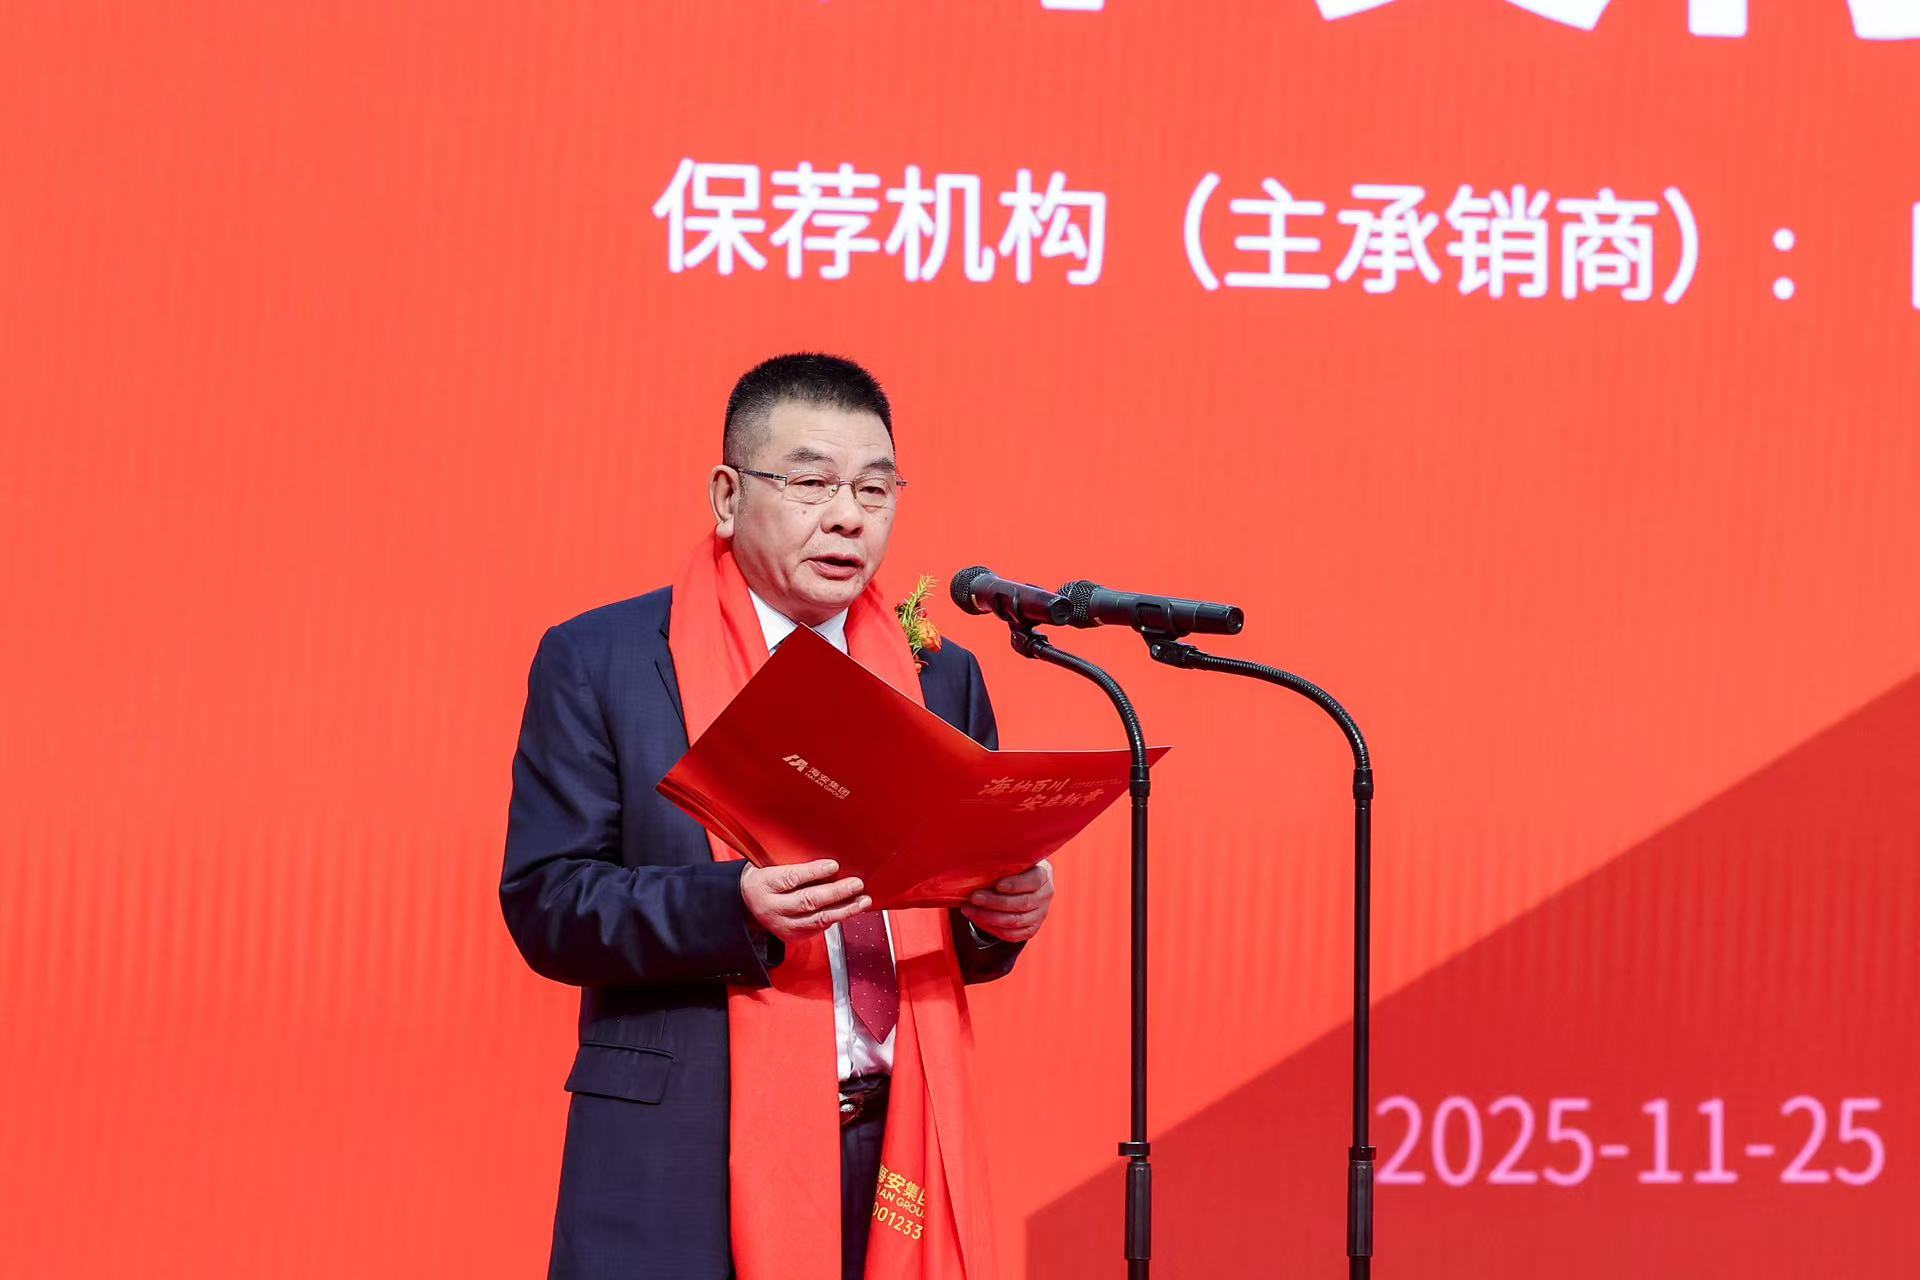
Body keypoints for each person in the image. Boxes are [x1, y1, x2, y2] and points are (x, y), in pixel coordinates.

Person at [500, 352, 1055, 1280]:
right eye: (811, 483)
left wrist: (999, 914)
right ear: (728, 496)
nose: (848, 517)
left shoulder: (939, 674)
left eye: (874, 489)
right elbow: (549, 902)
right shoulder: (606, 662)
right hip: (683, 1152)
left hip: (890, 1142)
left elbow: (953, 921)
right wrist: (735, 904)